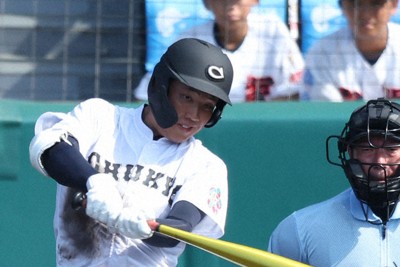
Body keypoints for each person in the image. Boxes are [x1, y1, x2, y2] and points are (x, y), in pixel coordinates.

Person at [29, 38, 233, 267]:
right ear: (162, 88)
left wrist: (141, 225)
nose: (195, 116)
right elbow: (48, 148)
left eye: (207, 106)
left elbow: (180, 227)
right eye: (187, 98)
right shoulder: (101, 117)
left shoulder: (205, 165)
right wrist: (95, 182)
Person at [268, 98, 400, 266]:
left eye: (391, 149)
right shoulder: (299, 230)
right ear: (351, 153)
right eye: (367, 149)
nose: (379, 162)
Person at [135, 0, 304, 102]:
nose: (230, 5)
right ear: (207, 3)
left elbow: (296, 92)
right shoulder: (190, 40)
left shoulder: (273, 31)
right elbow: (145, 95)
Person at [302, 0, 400, 101]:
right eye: (355, 4)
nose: (366, 14)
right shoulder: (322, 53)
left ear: (393, 5)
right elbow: (324, 113)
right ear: (342, 6)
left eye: (376, 3)